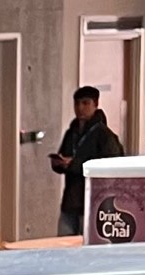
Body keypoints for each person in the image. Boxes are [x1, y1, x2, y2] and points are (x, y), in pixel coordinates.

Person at [54, 86, 126, 236]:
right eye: (77, 104)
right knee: (62, 244)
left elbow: (110, 165)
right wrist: (59, 164)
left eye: (85, 103)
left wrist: (73, 164)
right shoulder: (71, 132)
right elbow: (65, 154)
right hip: (70, 200)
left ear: (96, 104)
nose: (80, 108)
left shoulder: (104, 135)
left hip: (92, 201)